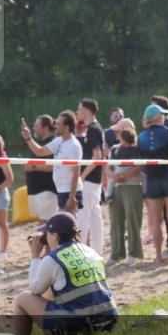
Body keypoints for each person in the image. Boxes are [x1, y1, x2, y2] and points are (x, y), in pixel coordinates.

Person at [13, 212, 117, 335]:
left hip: (80, 328)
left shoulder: (53, 259)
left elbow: (34, 289)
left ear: (55, 236)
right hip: (108, 322)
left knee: (22, 299)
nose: (45, 238)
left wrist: (35, 256)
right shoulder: (91, 252)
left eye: (47, 234)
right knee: (49, 296)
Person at [138, 103, 168, 263]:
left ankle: (158, 256)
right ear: (158, 117)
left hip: (152, 178)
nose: (165, 117)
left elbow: (141, 157)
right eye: (163, 115)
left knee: (156, 220)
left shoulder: (142, 136)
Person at [22, 111, 81, 212]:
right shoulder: (59, 141)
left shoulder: (74, 145)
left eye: (58, 124)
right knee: (63, 220)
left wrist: (72, 197)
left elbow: (76, 173)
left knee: (73, 220)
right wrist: (28, 138)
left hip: (70, 191)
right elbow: (40, 151)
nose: (55, 126)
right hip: (61, 189)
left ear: (66, 128)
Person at [107, 127, 145, 267]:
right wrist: (114, 176)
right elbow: (107, 166)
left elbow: (140, 167)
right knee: (115, 221)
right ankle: (116, 253)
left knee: (133, 221)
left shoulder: (137, 150)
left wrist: (124, 176)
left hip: (133, 185)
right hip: (117, 187)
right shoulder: (114, 149)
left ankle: (133, 253)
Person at [74, 99, 106, 253]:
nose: (77, 111)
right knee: (94, 216)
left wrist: (82, 176)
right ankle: (97, 252)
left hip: (90, 180)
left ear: (86, 110)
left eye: (79, 108)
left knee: (84, 216)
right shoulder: (94, 128)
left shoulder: (93, 129)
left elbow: (97, 157)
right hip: (94, 179)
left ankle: (83, 252)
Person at [25, 116, 59, 222]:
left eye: (36, 126)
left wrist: (34, 166)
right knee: (42, 221)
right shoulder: (38, 144)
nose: (34, 128)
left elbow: (54, 166)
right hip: (36, 190)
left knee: (47, 222)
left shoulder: (52, 143)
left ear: (45, 128)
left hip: (46, 190)